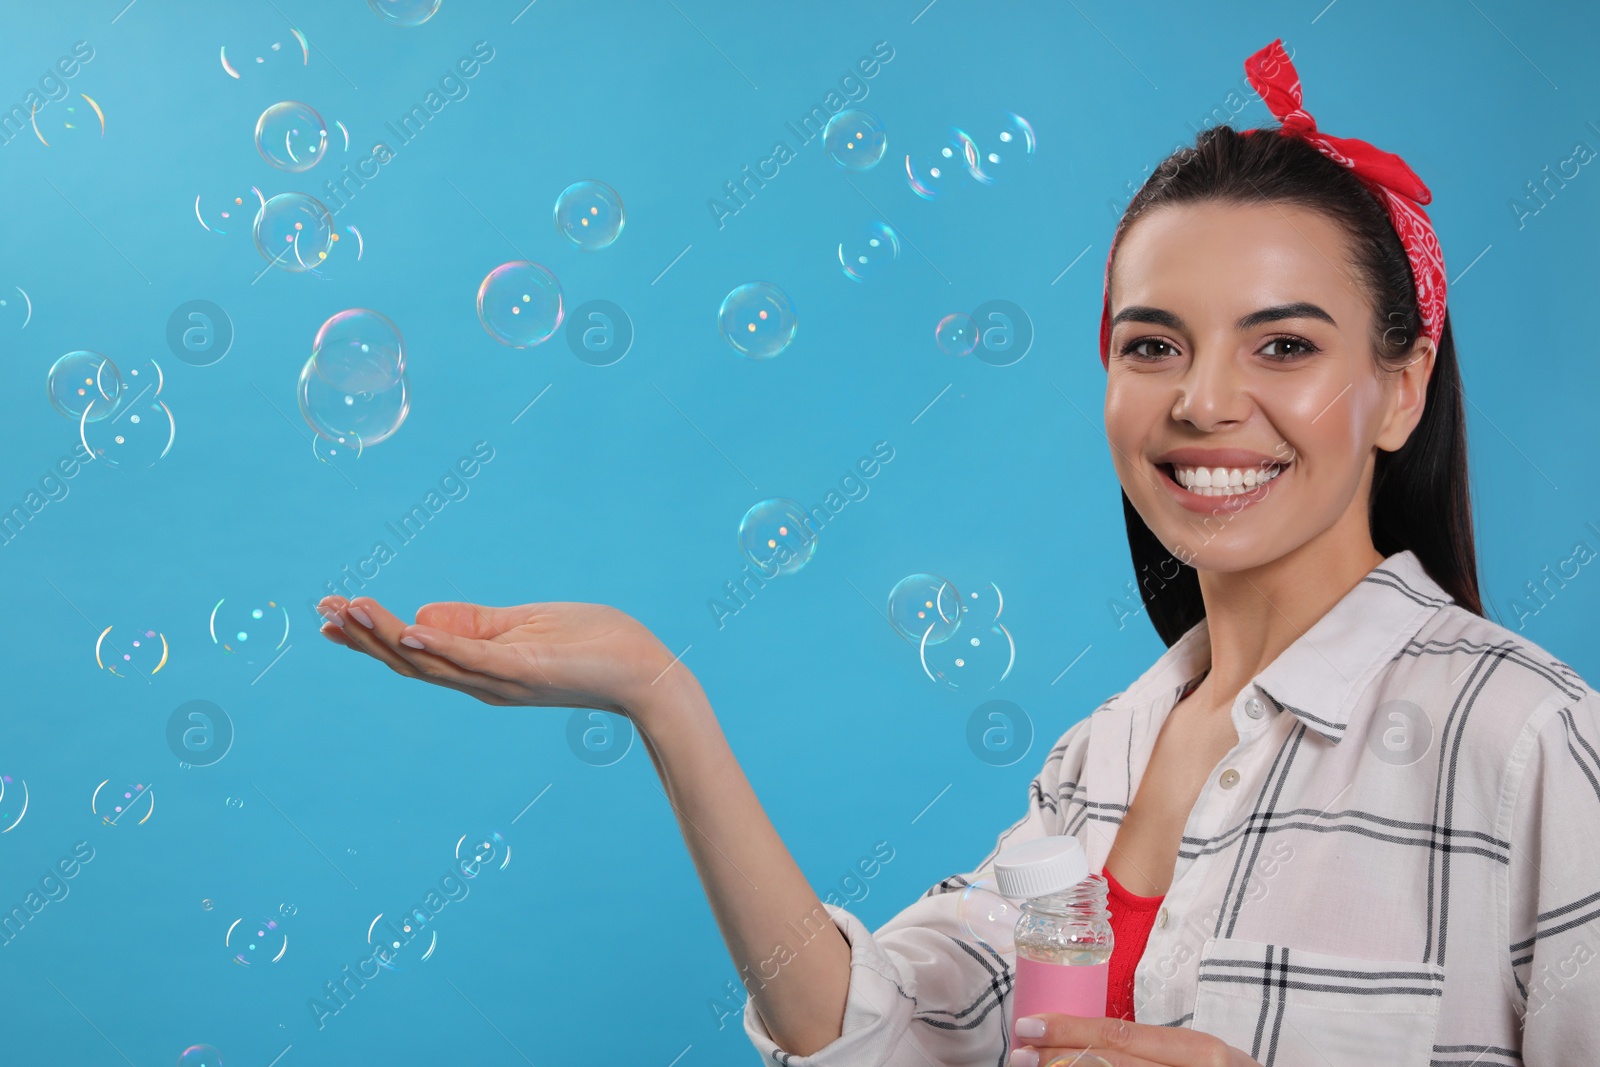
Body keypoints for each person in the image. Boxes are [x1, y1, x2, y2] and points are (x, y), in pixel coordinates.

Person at [314, 39, 1600, 1067]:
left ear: (1401, 386)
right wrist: (662, 697)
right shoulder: (1099, 759)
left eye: (1283, 345)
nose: (1204, 403)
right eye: (1152, 344)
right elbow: (869, 1028)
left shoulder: (1525, 741)